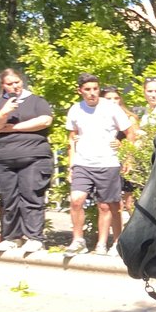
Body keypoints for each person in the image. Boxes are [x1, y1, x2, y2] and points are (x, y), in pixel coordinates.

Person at [64, 74, 133, 256]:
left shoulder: (111, 108)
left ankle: (102, 244)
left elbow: (129, 133)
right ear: (80, 91)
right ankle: (78, 240)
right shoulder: (75, 110)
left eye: (95, 88)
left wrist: (127, 157)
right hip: (83, 163)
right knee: (76, 199)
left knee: (105, 205)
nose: (92, 93)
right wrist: (71, 164)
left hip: (107, 162)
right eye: (87, 89)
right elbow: (71, 138)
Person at [0, 68, 54, 253]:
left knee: (31, 195)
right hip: (4, 159)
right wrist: (4, 112)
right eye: (9, 84)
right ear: (3, 86)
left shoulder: (36, 101)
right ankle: (11, 237)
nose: (14, 86)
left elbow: (44, 121)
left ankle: (34, 237)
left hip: (33, 157)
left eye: (16, 82)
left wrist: (13, 127)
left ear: (21, 81)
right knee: (9, 199)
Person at [102, 86, 142, 215]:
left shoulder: (129, 118)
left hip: (126, 163)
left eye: (116, 98)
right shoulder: (100, 117)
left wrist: (122, 145)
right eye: (108, 99)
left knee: (129, 201)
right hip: (106, 162)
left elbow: (136, 142)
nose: (113, 101)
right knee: (110, 202)